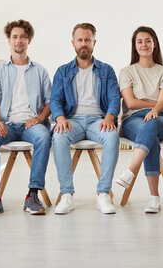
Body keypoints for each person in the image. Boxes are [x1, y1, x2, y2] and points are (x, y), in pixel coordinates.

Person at [0, 20, 52, 217]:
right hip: (6, 124)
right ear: (9, 40)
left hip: (30, 124)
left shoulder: (40, 71)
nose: (19, 40)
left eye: (23, 37)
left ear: (29, 40)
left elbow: (51, 101)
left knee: (44, 137)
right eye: (15, 37)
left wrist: (39, 118)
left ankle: (32, 195)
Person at [50, 23, 120, 215]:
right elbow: (55, 99)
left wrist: (110, 116)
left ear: (94, 43)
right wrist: (60, 118)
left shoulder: (106, 70)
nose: (84, 44)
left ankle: (103, 194)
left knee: (112, 136)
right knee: (59, 137)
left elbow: (115, 97)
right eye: (80, 40)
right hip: (73, 121)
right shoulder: (62, 71)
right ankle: (66, 195)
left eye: (87, 40)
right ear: (73, 43)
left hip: (99, 120)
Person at [115, 26, 163, 213]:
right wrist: (157, 102)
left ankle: (131, 170)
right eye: (140, 41)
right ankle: (154, 198)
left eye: (148, 40)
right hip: (132, 121)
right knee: (150, 134)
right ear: (134, 46)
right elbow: (131, 103)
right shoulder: (127, 71)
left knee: (151, 124)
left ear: (154, 44)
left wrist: (158, 107)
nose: (144, 44)